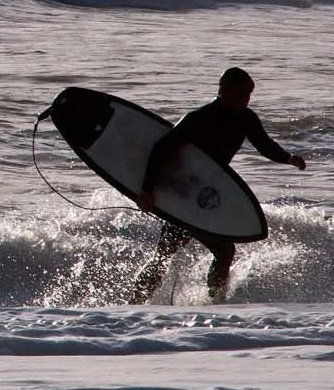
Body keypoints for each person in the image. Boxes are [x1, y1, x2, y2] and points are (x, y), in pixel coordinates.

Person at [131, 67, 306, 303]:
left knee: (222, 251)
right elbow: (161, 148)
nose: (246, 100)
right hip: (183, 196)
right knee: (166, 253)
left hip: (206, 198)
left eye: (249, 95)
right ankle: (135, 303)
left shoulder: (246, 118)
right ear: (224, 91)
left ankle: (214, 300)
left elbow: (264, 145)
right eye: (241, 94)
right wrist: (147, 190)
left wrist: (288, 158)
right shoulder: (198, 118)